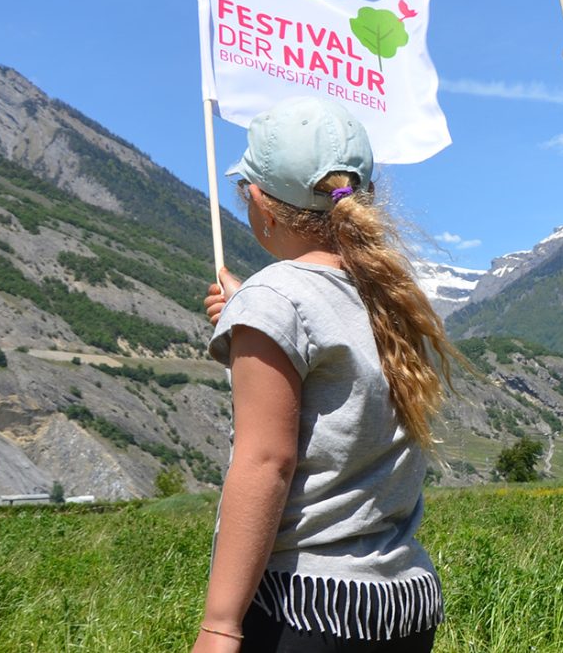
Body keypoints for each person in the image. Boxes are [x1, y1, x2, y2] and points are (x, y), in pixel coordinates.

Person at [193, 97, 459, 653]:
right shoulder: (393, 295)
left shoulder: (275, 296)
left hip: (307, 609)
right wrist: (254, 313)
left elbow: (267, 462)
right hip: (404, 602)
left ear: (261, 204)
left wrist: (220, 623)